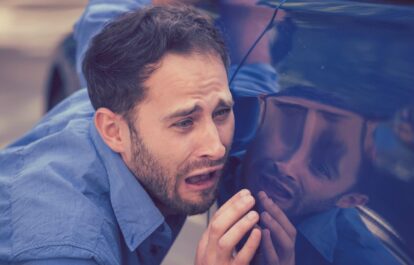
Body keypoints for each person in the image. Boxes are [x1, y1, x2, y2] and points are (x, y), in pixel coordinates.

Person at [0, 5, 262, 265]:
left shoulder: (122, 94)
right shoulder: (67, 249)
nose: (215, 147)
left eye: (221, 112)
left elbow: (107, 13)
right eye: (184, 122)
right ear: (113, 131)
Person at [219, 88, 401, 265]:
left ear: (350, 199)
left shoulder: (363, 260)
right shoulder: (206, 164)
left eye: (321, 166)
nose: (287, 166)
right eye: (288, 132)